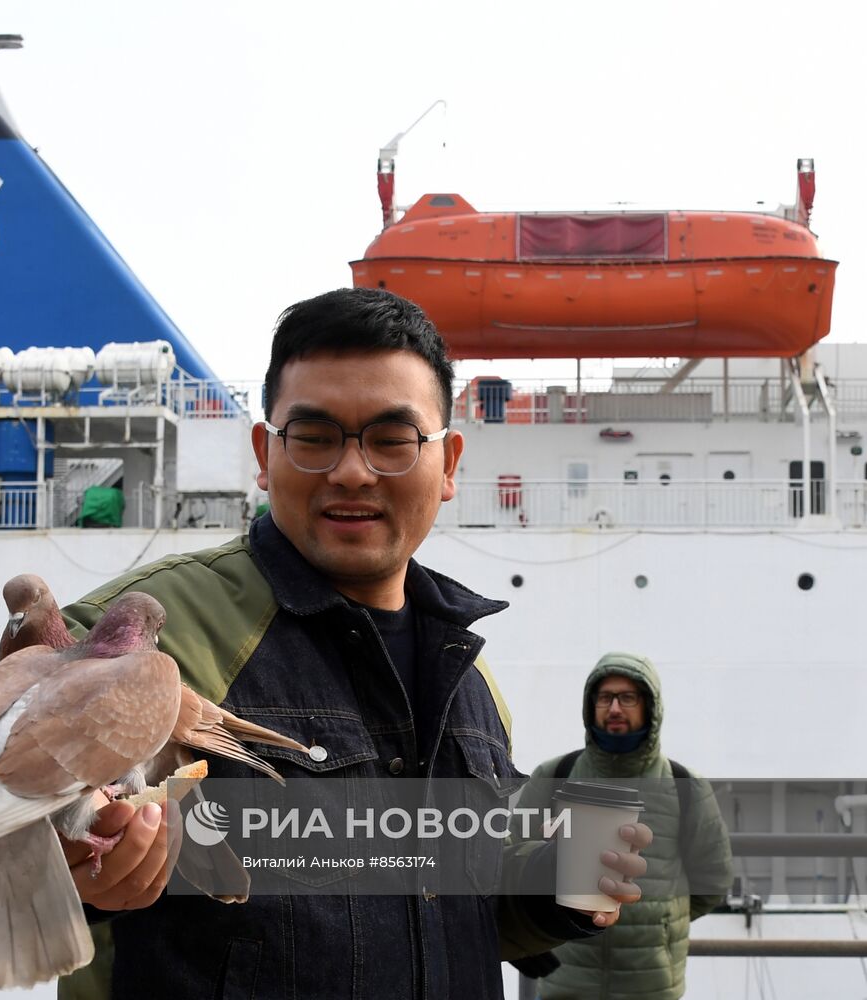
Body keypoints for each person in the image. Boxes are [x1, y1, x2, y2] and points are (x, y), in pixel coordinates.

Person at [55, 288, 652, 999]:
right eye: (313, 436)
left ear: (449, 462)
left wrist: (559, 892)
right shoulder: (157, 633)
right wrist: (69, 854)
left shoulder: (466, 676)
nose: (351, 471)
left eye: (392, 439)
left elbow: (446, 915)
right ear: (262, 452)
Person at [514, 653, 732, 1000]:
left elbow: (714, 879)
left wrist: (659, 924)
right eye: (605, 697)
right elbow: (511, 863)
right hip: (566, 983)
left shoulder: (683, 785)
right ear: (591, 706)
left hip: (650, 987)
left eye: (628, 697)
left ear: (651, 706)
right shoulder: (555, 775)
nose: (614, 708)